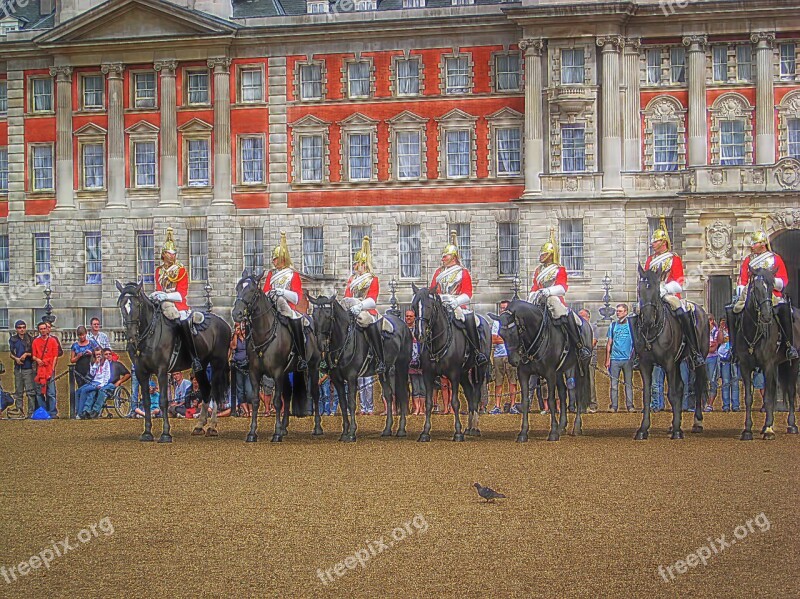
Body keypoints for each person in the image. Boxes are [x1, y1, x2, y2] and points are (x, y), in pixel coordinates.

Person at [730, 227, 798, 361]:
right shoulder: (748, 260)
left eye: (754, 243)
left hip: (771, 295)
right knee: (732, 311)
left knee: (785, 311)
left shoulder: (775, 259)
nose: (752, 246)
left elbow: (783, 280)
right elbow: (742, 279)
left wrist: (771, 281)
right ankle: (734, 348)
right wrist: (741, 289)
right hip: (751, 295)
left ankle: (789, 345)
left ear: (762, 244)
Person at [645, 216, 705, 368]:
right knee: (636, 314)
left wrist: (664, 289)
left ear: (663, 242)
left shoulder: (674, 259)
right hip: (652, 296)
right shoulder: (650, 260)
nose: (652, 244)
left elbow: (680, 282)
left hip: (669, 294)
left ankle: (694, 349)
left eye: (655, 241)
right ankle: (638, 352)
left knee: (682, 312)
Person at [528, 229, 591, 361]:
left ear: (551, 255)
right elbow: (535, 285)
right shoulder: (538, 270)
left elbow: (562, 287)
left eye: (544, 253)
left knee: (566, 315)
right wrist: (532, 295)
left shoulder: (559, 269)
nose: (542, 256)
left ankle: (579, 346)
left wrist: (549, 291)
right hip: (540, 300)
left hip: (554, 300)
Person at [149, 227, 203, 373]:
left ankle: (194, 358)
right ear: (163, 254)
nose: (171, 256)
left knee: (183, 322)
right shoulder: (159, 271)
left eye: (173, 253)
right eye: (169, 253)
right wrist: (156, 295)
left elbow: (181, 294)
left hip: (179, 306)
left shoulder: (181, 270)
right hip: (163, 305)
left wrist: (165, 295)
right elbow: (159, 288)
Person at [430, 230, 487, 366]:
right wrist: (439, 298)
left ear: (453, 257)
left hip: (457, 306)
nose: (443, 258)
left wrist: (455, 301)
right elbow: (432, 290)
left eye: (446, 256)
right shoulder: (438, 272)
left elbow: (467, 294)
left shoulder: (462, 272)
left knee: (469, 319)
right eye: (443, 256)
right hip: (440, 305)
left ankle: (476, 352)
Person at [263, 231, 307, 370]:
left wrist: (282, 292)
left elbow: (296, 297)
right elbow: (265, 292)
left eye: (275, 259)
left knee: (296, 323)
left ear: (282, 259)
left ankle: (301, 356)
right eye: (273, 259)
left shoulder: (292, 274)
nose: (273, 261)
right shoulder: (271, 274)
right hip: (272, 307)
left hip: (288, 307)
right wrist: (271, 292)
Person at [344, 236, 385, 374]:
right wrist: (349, 305)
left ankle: (380, 359)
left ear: (363, 264)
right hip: (352, 310)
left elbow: (373, 300)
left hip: (366, 311)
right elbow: (347, 296)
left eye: (356, 264)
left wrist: (360, 306)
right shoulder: (351, 280)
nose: (354, 266)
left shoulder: (372, 279)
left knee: (369, 323)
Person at [605, 304, 635, 412]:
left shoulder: (631, 326)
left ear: (626, 312)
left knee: (628, 384)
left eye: (620, 311)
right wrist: (607, 359)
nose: (618, 313)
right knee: (613, 385)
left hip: (627, 358)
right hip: (615, 359)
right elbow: (609, 343)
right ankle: (614, 406)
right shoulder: (613, 325)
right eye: (617, 311)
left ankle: (630, 405)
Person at [491, 300, 518, 415]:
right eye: (501, 308)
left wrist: (502, 338)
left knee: (513, 382)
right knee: (498, 382)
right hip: (498, 355)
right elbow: (493, 339)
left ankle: (513, 405)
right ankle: (497, 405)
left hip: (510, 354)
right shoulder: (496, 323)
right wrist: (508, 338)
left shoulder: (514, 323)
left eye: (504, 308)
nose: (502, 310)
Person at [76, 348, 115, 419]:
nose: (98, 356)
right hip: (93, 381)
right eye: (96, 354)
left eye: (99, 354)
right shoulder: (92, 362)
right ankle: (77, 410)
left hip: (100, 382)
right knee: (78, 391)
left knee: (84, 391)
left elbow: (107, 375)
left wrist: (102, 385)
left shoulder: (105, 362)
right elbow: (92, 373)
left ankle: (80, 412)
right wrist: (96, 364)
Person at [32, 321, 60, 418]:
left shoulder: (53, 341)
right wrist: (38, 360)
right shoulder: (35, 341)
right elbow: (34, 355)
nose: (43, 330)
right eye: (41, 329)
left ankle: (52, 412)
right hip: (40, 370)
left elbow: (55, 355)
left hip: (49, 369)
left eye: (44, 328)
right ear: (38, 330)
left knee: (51, 392)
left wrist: (52, 368)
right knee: (39, 392)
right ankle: (43, 411)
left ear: (47, 329)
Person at [9, 320, 36, 418]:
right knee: (18, 391)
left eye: (23, 327)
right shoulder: (13, 339)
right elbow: (11, 353)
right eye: (20, 328)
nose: (22, 329)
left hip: (28, 368)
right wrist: (16, 359)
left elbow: (35, 353)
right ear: (16, 329)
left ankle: (31, 412)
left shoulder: (30, 339)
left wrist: (26, 354)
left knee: (30, 392)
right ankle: (19, 412)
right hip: (18, 368)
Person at [578, 308, 599, 413]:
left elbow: (593, 342)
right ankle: (582, 403)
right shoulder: (578, 328)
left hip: (590, 357)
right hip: (579, 358)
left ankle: (592, 404)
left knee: (590, 381)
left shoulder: (593, 327)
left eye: (581, 316)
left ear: (587, 316)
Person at [229, 322, 253, 415]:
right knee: (240, 390)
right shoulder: (235, 339)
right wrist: (235, 335)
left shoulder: (248, 338)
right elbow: (233, 346)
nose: (240, 331)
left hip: (248, 366)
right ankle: (246, 411)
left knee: (249, 389)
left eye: (241, 329)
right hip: (238, 366)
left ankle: (251, 409)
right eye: (238, 329)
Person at [405, 310, 425, 415]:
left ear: (414, 317)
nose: (408, 318)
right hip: (410, 362)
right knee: (415, 386)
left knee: (422, 387)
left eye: (411, 316)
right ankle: (416, 408)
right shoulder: (403, 329)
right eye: (407, 316)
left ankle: (422, 408)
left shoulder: (419, 330)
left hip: (421, 362)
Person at [718, 317, 740, 412]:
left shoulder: (735, 331)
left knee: (735, 383)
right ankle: (726, 405)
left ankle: (735, 405)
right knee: (725, 383)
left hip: (733, 359)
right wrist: (721, 329)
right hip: (724, 359)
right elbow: (720, 341)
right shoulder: (721, 331)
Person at [704, 314, 722, 412]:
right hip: (703, 359)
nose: (709, 322)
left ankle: (710, 404)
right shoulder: (701, 331)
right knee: (702, 382)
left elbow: (714, 348)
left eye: (710, 320)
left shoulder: (715, 332)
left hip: (712, 359)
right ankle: (704, 403)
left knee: (712, 381)